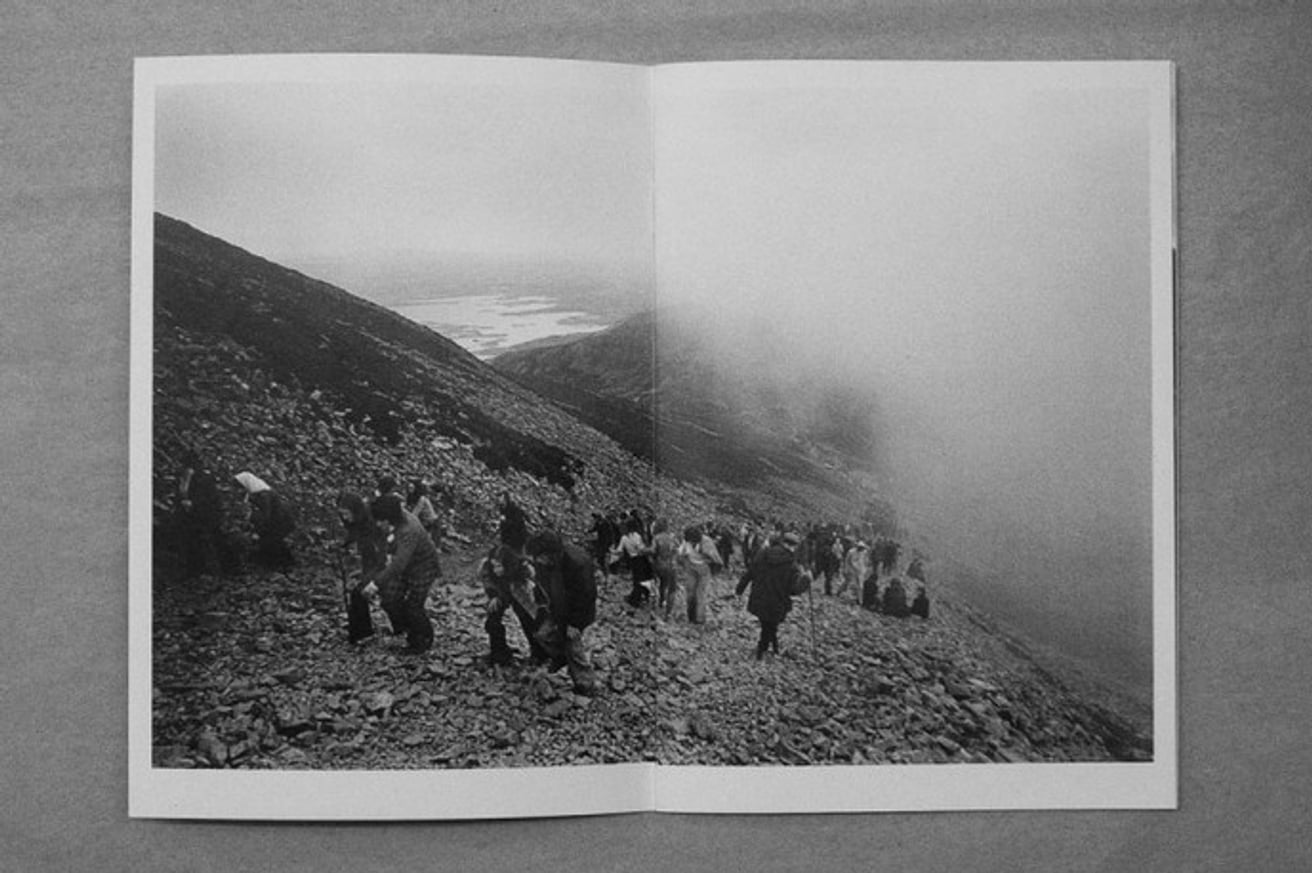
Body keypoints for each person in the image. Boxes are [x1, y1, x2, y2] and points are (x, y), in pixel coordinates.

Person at [524, 530, 598, 696]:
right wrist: (540, 600)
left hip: (576, 613)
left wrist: (576, 624)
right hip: (556, 608)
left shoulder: (577, 563)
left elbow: (587, 595)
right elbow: (541, 583)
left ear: (551, 554)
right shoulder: (543, 562)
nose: (537, 561)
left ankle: (586, 685)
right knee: (543, 636)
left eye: (540, 557)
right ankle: (561, 658)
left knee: (573, 646)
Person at [367, 494, 442, 654]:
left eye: (381, 520)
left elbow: (398, 564)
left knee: (413, 606)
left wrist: (375, 583)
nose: (378, 524)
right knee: (389, 598)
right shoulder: (396, 518)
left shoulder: (409, 530)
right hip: (407, 565)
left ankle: (422, 639)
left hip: (424, 567)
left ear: (390, 518)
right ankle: (404, 629)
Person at [735, 531, 810, 659]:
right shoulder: (792, 565)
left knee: (767, 623)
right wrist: (806, 580)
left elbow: (750, 572)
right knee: (770, 625)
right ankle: (761, 650)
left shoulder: (763, 554)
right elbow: (794, 590)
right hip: (777, 600)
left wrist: (739, 589)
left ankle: (774, 647)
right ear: (793, 546)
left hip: (760, 596)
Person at [478, 543, 547, 666]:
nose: (496, 570)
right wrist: (493, 594)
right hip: (498, 591)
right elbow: (487, 580)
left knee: (528, 620)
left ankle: (539, 653)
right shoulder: (486, 567)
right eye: (494, 566)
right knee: (493, 618)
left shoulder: (520, 567)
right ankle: (499, 653)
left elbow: (532, 580)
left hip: (517, 589)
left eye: (499, 566)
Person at [234, 471, 296, 570]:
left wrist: (259, 529)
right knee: (276, 544)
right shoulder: (258, 492)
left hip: (280, 521)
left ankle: (279, 567)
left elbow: (266, 513)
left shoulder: (263, 494)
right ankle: (285, 566)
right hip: (279, 521)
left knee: (271, 543)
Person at [176, 449, 223, 578]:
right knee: (193, 543)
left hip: (205, 514)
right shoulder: (186, 476)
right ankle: (195, 571)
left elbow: (208, 498)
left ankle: (212, 571)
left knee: (207, 542)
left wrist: (193, 504)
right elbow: (181, 493)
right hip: (192, 515)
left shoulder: (202, 477)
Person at [677, 525, 717, 624]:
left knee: (700, 594)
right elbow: (680, 554)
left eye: (693, 541)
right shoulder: (686, 542)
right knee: (690, 593)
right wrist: (683, 560)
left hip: (703, 569)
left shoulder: (706, 542)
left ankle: (699, 619)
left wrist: (706, 559)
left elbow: (714, 558)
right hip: (690, 568)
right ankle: (691, 616)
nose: (691, 543)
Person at [619, 517, 654, 608]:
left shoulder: (624, 538)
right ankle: (640, 598)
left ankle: (636, 597)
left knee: (636, 579)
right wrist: (649, 550)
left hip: (633, 560)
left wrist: (612, 551)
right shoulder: (637, 536)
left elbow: (619, 550)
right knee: (644, 578)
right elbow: (641, 549)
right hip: (641, 559)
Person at [650, 518, 681, 620]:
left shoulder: (656, 538)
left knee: (660, 584)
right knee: (672, 590)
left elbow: (653, 550)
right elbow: (679, 551)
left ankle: (660, 602)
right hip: (671, 565)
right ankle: (668, 614)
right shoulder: (672, 538)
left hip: (659, 565)